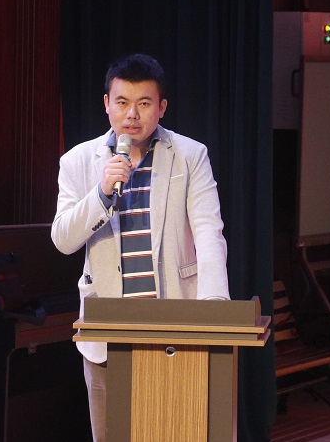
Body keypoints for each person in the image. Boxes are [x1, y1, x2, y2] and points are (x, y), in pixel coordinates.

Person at [51, 53, 230, 441]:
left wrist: (214, 315)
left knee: (181, 432)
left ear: (161, 107)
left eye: (144, 103)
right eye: (122, 102)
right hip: (108, 332)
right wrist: (101, 193)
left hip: (175, 325)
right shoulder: (78, 161)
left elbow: (208, 233)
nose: (132, 114)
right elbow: (63, 238)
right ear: (107, 104)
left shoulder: (190, 155)